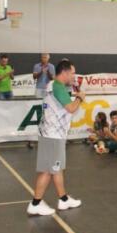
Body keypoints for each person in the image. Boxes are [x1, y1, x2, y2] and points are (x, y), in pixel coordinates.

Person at [27, 59, 84, 216]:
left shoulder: (53, 85)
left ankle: (63, 199)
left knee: (56, 169)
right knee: (48, 170)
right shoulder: (58, 87)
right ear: (64, 72)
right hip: (53, 136)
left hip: (50, 134)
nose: (74, 76)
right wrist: (80, 97)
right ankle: (35, 203)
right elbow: (71, 108)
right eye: (72, 73)